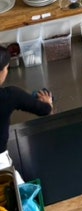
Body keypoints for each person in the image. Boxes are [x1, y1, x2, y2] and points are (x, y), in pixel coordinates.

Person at [0, 45, 53, 180]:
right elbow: (44, 110)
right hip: (1, 167)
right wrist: (47, 102)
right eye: (6, 68)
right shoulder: (10, 95)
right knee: (17, 192)